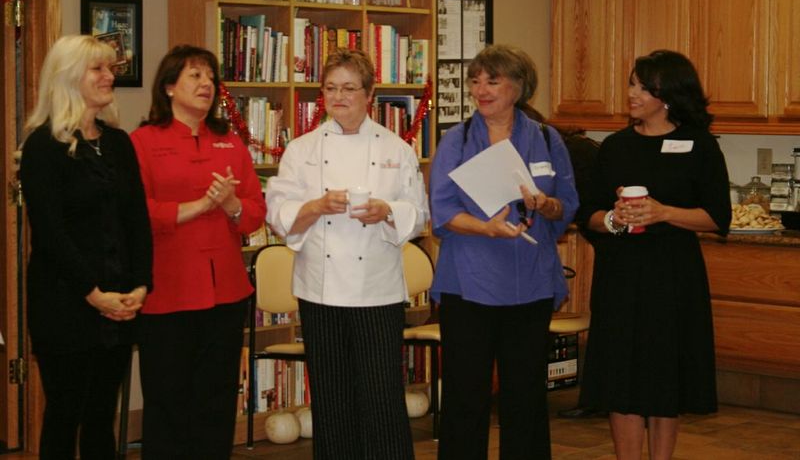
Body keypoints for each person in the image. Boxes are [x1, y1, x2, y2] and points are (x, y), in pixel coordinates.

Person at [265, 48, 428, 460]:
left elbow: (419, 214)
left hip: (377, 290)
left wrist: (387, 211)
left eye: (349, 88)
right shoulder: (301, 149)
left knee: (382, 398)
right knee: (331, 399)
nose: (338, 97)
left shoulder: (397, 149)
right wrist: (315, 207)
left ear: (369, 94)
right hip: (320, 291)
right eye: (330, 88)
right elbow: (279, 215)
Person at [577, 50, 731, 460]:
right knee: (619, 378)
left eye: (644, 86)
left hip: (673, 277)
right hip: (620, 277)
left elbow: (717, 217)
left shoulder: (699, 146)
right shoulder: (614, 146)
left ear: (668, 95)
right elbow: (586, 213)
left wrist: (664, 212)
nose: (632, 93)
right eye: (631, 83)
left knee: (666, 377)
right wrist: (613, 219)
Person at [429, 44, 579, 459]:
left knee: (526, 395)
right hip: (468, 283)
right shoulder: (456, 140)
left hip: (529, 283)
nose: (481, 89)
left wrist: (546, 206)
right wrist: (487, 228)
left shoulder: (548, 139)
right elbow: (441, 212)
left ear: (518, 87)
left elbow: (567, 203)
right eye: (475, 81)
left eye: (492, 80)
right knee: (466, 395)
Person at [130, 45, 267, 459]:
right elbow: (135, 212)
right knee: (168, 403)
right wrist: (196, 208)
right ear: (169, 86)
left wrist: (230, 205)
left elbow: (255, 215)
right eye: (194, 76)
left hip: (225, 293)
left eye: (210, 77)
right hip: (166, 294)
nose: (206, 84)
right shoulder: (143, 141)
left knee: (216, 401)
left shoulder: (231, 143)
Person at [20, 34, 152, 458]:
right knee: (65, 414)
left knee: (100, 418)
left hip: (119, 304)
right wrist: (95, 295)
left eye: (110, 67)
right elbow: (51, 234)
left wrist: (139, 287)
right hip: (66, 305)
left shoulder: (118, 143)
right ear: (69, 77)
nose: (109, 76)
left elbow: (136, 221)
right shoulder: (44, 146)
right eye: (98, 68)